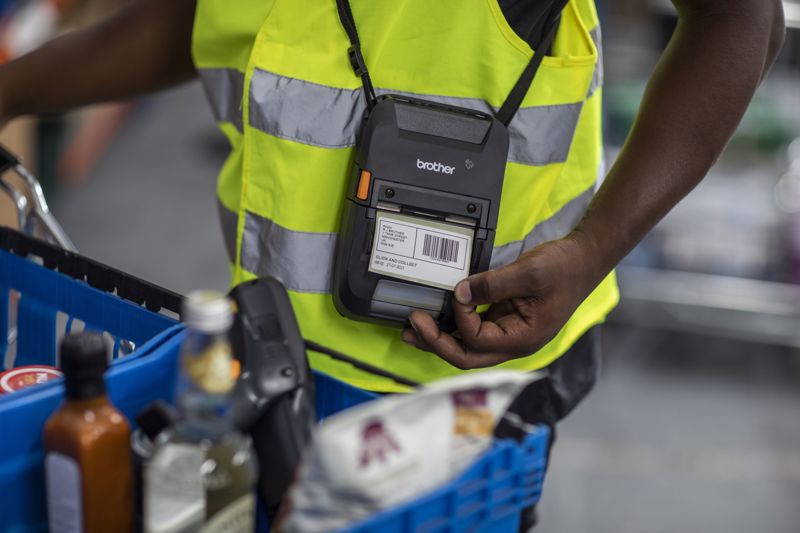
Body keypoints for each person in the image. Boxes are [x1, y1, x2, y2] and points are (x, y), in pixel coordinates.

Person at [0, 0, 785, 529]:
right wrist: (13, 88)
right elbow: (200, 21)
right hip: (276, 361)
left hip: (465, 384)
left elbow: (739, 17)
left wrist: (594, 248)